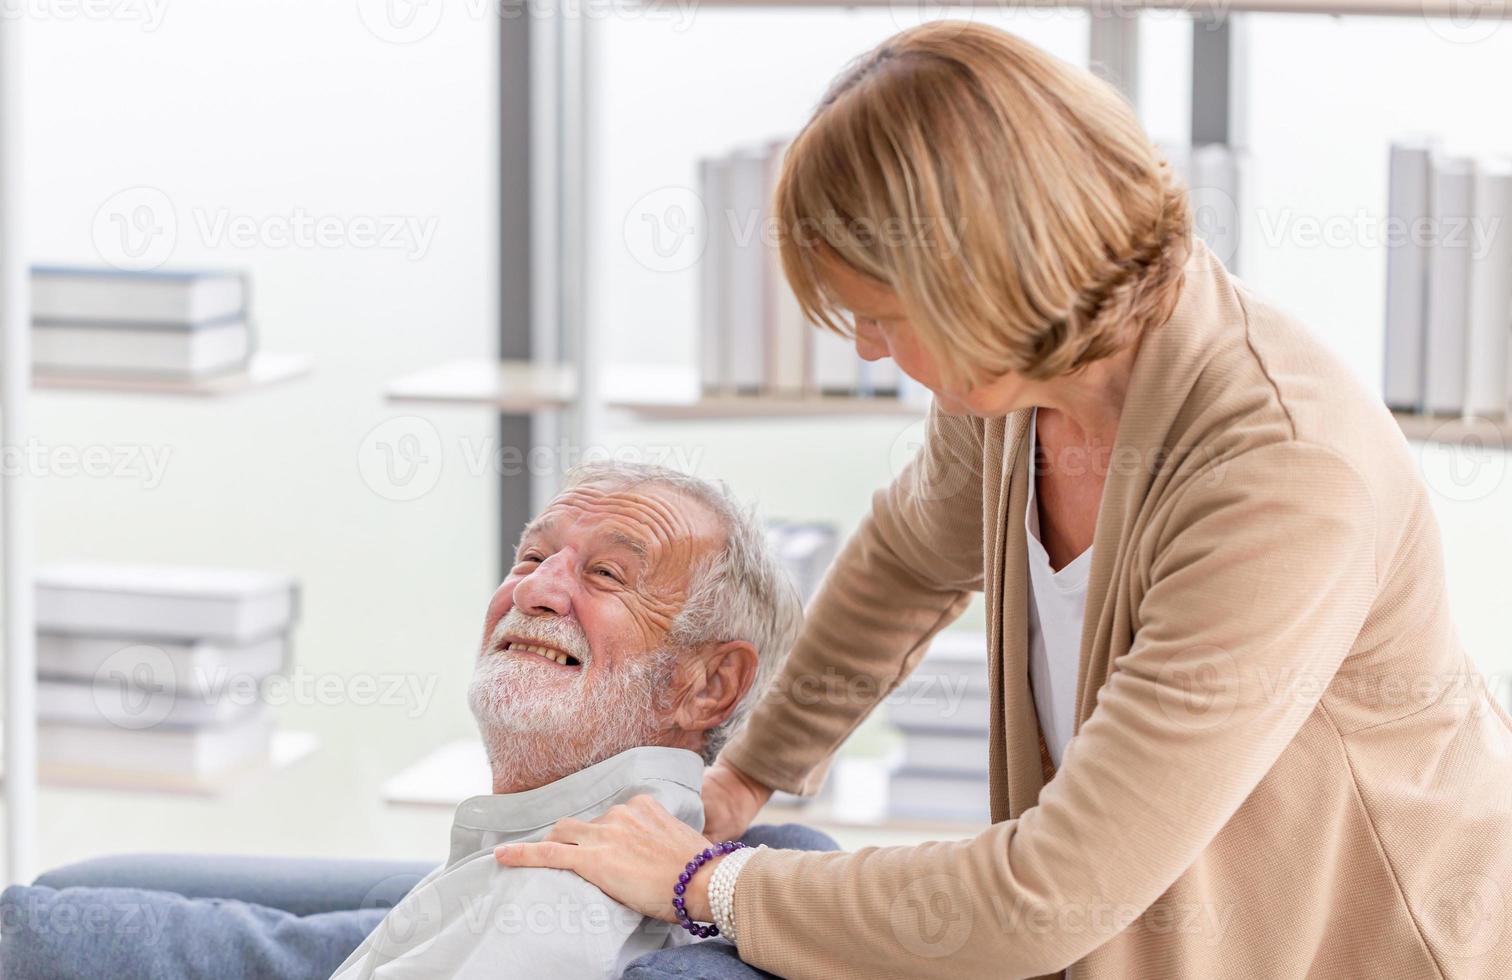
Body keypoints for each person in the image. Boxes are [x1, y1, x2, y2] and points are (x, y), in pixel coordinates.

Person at [496, 21, 1512, 979]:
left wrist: (706, 882)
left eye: (883, 313)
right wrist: (743, 779)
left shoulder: (1285, 478)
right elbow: (902, 562)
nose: (865, 347)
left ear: (990, 283)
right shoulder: (1026, 379)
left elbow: (1050, 889)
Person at [330, 461, 805, 979]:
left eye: (607, 574)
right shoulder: (535, 868)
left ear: (708, 686)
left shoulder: (553, 905)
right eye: (532, 557)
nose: (533, 590)